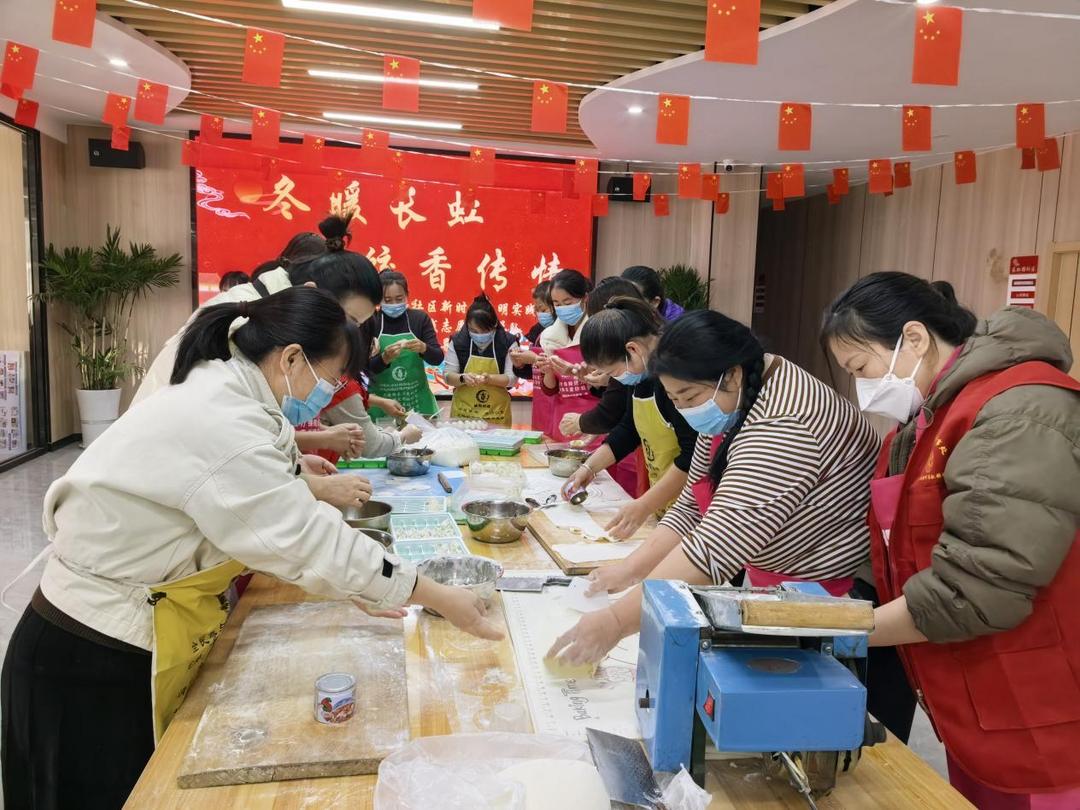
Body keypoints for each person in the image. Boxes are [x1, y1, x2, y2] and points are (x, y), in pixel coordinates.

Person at [0, 287, 502, 810]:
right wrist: (438, 596)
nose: (327, 392)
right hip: (87, 656)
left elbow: (255, 490)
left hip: (111, 632)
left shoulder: (229, 387)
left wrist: (295, 475)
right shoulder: (224, 417)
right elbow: (306, 537)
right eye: (329, 379)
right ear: (290, 357)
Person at [822, 272, 1080, 807]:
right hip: (972, 701)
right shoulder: (917, 425)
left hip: (1041, 703)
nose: (861, 387)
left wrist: (842, 631)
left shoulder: (1017, 412)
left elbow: (981, 585)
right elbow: (897, 546)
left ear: (913, 340)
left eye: (861, 368)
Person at [547, 309, 879, 667]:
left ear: (732, 374)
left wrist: (615, 622)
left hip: (827, 601)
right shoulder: (733, 396)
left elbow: (715, 548)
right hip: (774, 583)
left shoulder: (784, 424)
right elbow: (692, 505)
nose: (685, 409)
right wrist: (630, 569)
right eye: (674, 400)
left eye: (688, 398)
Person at [559, 296, 698, 539]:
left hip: (695, 511)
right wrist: (589, 468)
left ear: (633, 350)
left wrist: (644, 505)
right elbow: (629, 429)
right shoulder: (640, 373)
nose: (615, 379)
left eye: (613, 373)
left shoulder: (677, 380)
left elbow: (693, 456)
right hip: (667, 507)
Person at [367, 271, 444, 420]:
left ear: (407, 295)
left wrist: (423, 348)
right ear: (378, 300)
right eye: (387, 300)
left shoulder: (419, 319)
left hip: (418, 401)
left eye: (399, 299)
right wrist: (384, 358)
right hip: (382, 404)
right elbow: (365, 369)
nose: (394, 305)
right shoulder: (371, 321)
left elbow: (437, 358)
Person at [537, 269, 599, 442]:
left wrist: (574, 372)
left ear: (585, 298)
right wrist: (548, 370)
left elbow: (606, 384)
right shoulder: (549, 336)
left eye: (567, 302)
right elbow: (550, 390)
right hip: (563, 418)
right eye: (557, 304)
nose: (562, 309)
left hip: (594, 416)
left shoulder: (599, 331)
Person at [444, 295, 517, 426]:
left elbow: (512, 379)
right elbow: (448, 376)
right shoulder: (458, 341)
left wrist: (490, 379)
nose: (478, 334)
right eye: (472, 330)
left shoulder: (507, 342)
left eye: (483, 330)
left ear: (494, 324)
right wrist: (462, 378)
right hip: (464, 416)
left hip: (497, 415)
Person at [509, 281, 553, 382]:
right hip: (542, 394)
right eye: (536, 310)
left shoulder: (569, 331)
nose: (539, 314)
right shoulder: (536, 330)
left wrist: (535, 359)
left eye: (542, 310)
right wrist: (519, 364)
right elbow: (530, 373)